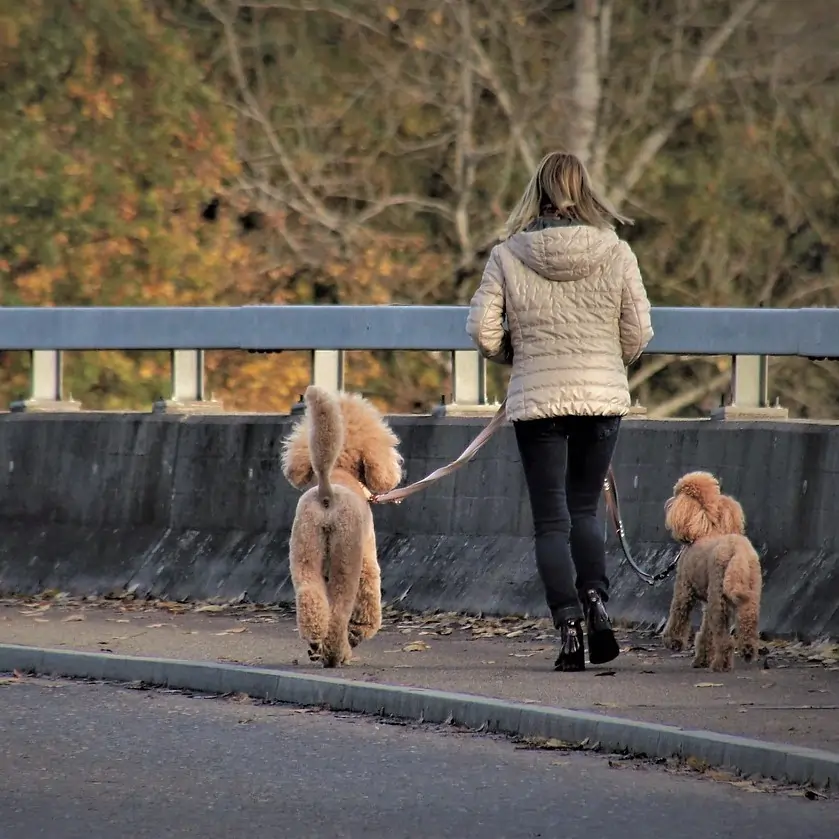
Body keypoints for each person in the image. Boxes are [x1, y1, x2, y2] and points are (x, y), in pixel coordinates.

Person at [466, 151, 653, 672]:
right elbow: (638, 334)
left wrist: (518, 354)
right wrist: (605, 361)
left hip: (539, 401)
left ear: (537, 192)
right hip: (600, 399)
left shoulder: (507, 255)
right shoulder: (616, 252)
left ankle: (568, 626)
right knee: (585, 509)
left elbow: (482, 333)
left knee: (551, 520)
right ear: (585, 190)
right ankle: (596, 600)